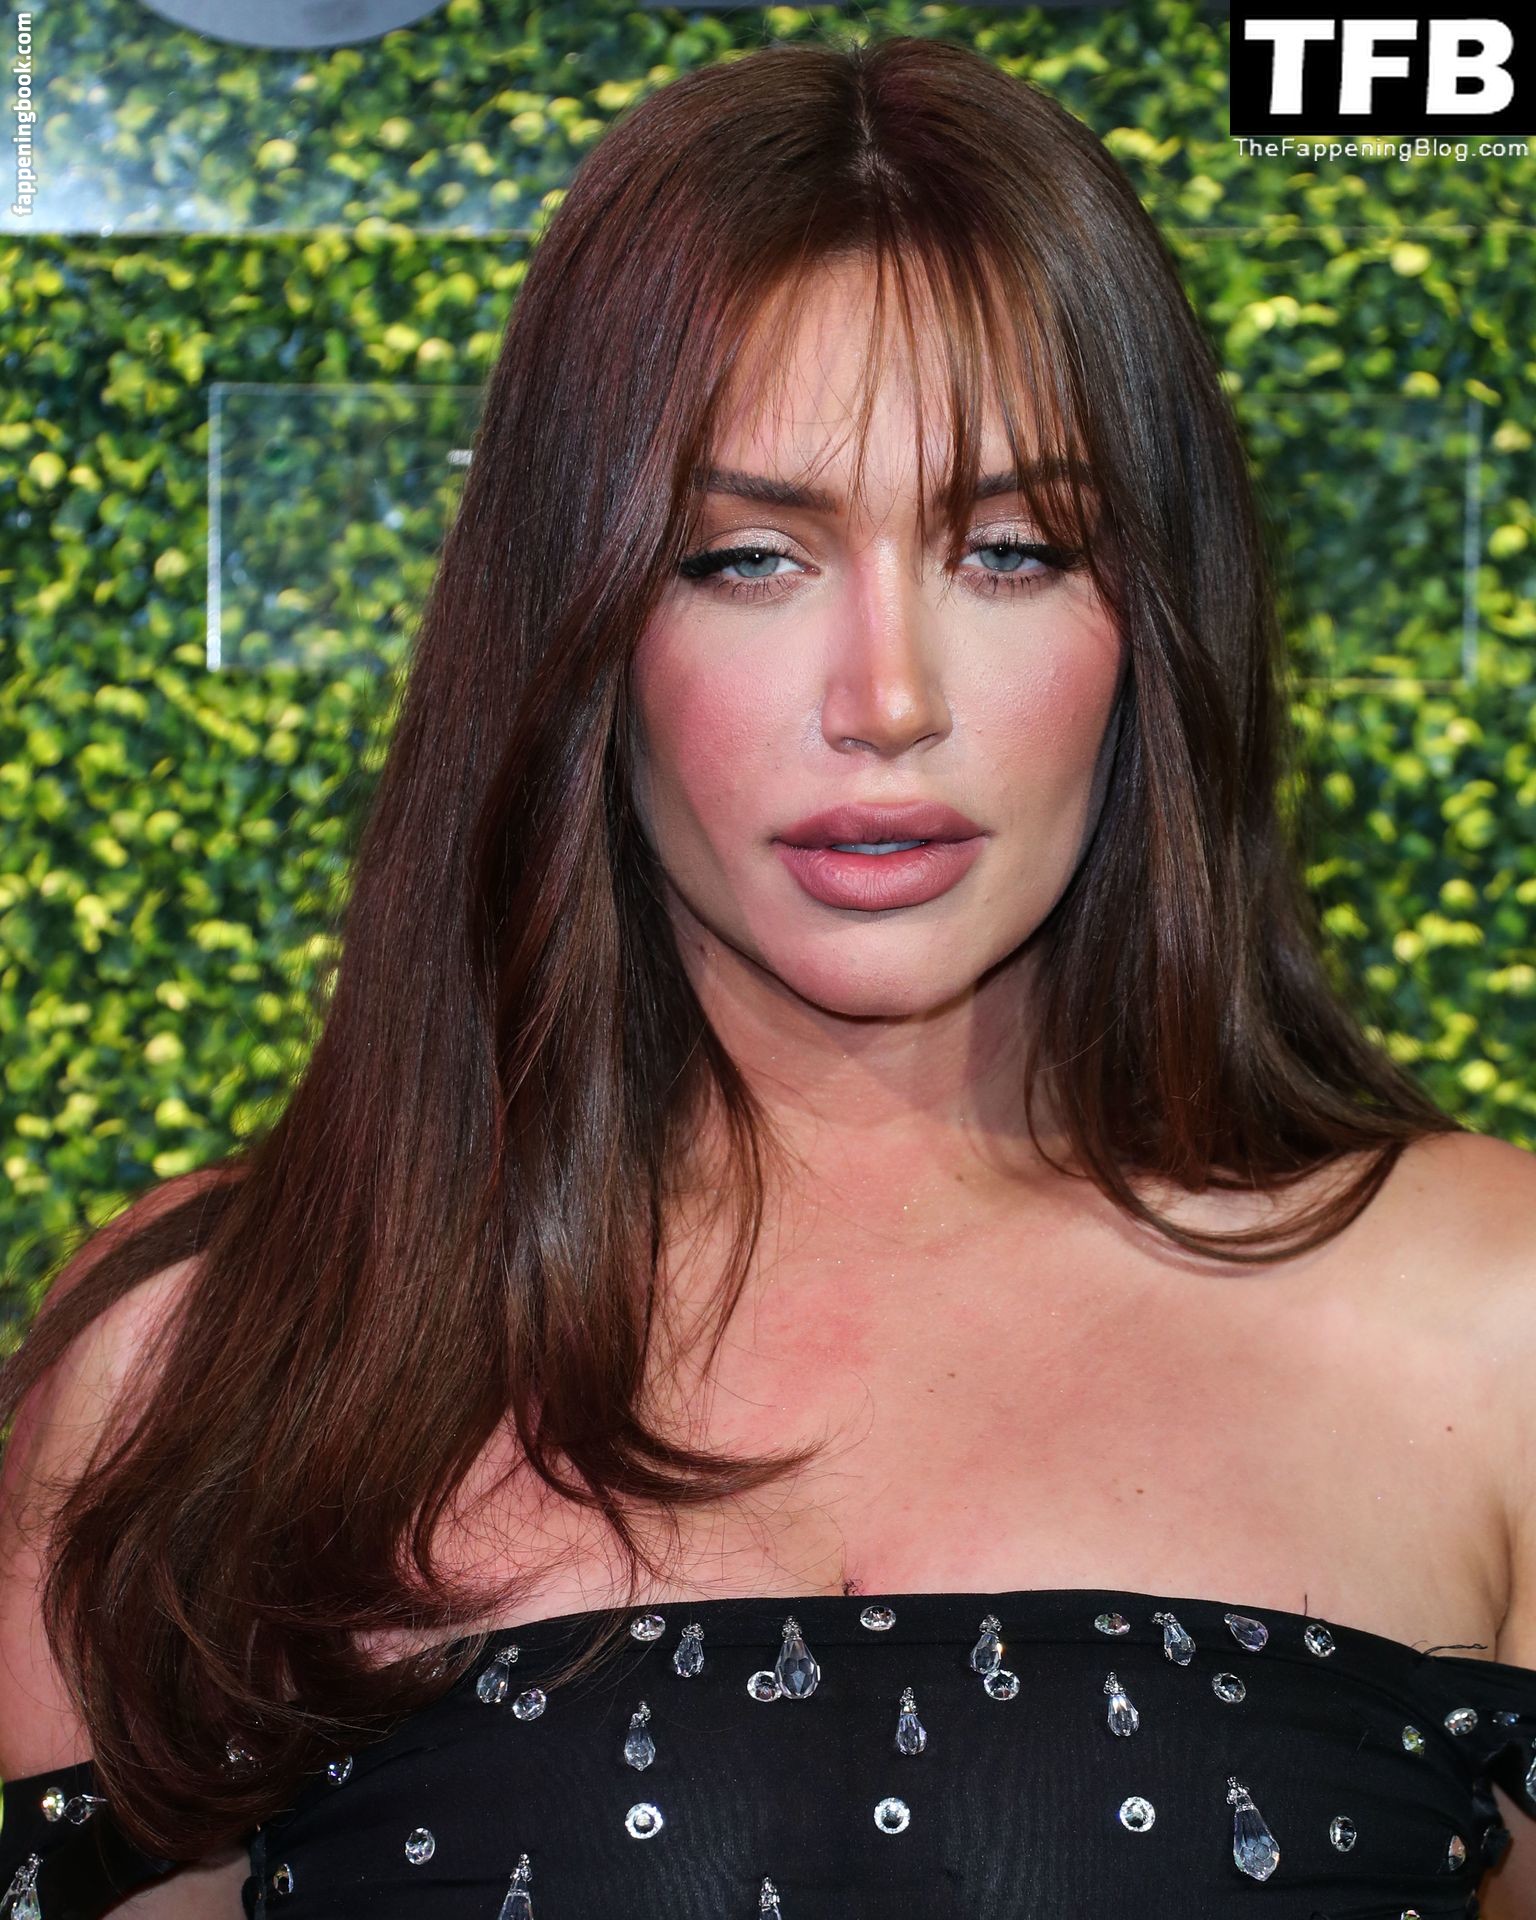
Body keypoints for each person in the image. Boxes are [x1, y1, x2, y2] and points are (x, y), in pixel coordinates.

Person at [3, 29, 1536, 1920]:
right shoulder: (207, 1359)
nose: (887, 698)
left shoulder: (1492, 1323)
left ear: (1154, 620)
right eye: (745, 556)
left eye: (1010, 549)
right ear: (578, 622)